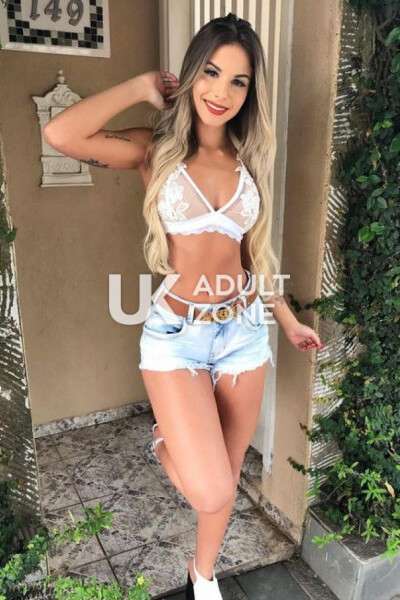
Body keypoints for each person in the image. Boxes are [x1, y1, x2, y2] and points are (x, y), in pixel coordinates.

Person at [43, 12, 323, 600]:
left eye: (239, 81)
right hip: (177, 337)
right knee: (213, 488)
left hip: (244, 332)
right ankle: (165, 435)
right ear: (192, 73)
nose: (222, 92)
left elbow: (253, 256)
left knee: (226, 476)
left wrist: (288, 319)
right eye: (212, 73)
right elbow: (61, 135)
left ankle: (203, 574)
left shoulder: (248, 159)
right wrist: (139, 85)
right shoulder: (155, 150)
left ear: (250, 92)